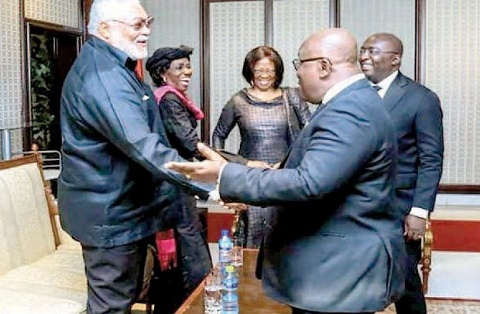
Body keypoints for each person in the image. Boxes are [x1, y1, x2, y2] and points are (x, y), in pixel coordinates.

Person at [166, 28, 406, 314]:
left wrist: (225, 174)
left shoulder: (349, 109)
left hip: (337, 272)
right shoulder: (352, 102)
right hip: (333, 267)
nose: (296, 74)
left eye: (298, 65)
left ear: (324, 66)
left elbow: (309, 182)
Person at [58, 0, 212, 313]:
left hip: (124, 211)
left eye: (148, 22)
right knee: (112, 308)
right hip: (111, 217)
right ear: (104, 29)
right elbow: (144, 146)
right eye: (137, 25)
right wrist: (215, 185)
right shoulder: (104, 76)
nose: (146, 32)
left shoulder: (117, 65)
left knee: (126, 300)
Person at [359, 33, 443, 314]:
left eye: (373, 51)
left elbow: (430, 159)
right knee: (356, 284)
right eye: (363, 50)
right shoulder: (352, 93)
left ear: (395, 59)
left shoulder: (421, 99)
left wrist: (419, 211)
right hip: (354, 208)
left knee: (405, 284)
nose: (364, 56)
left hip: (398, 208)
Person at [212, 45, 311, 248]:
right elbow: (218, 135)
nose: (264, 75)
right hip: (251, 180)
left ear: (277, 73)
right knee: (253, 238)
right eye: (259, 70)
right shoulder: (238, 101)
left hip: (286, 178)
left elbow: (312, 132)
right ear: (250, 72)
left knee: (287, 236)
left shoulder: (292, 97)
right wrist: (224, 172)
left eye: (269, 70)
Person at [145, 46, 212, 313]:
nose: (188, 72)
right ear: (163, 73)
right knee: (194, 261)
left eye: (188, 66)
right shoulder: (170, 100)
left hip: (170, 184)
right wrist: (233, 167)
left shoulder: (163, 96)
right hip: (173, 187)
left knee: (176, 259)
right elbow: (189, 142)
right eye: (180, 67)